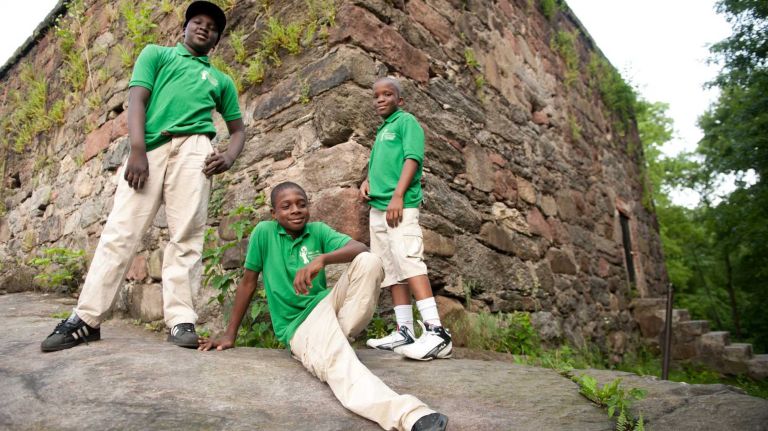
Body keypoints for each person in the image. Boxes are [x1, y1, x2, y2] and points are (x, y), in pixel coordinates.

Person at [41, 1, 245, 351]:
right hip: (150, 147)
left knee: (187, 236)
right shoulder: (157, 55)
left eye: (212, 27)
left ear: (216, 41)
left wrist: (227, 155)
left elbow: (238, 129)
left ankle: (181, 320)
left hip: (196, 149)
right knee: (121, 231)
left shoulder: (220, 80)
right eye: (197, 21)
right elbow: (137, 101)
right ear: (184, 27)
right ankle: (87, 318)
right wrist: (137, 150)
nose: (204, 28)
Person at [199, 182, 448, 431]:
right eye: (286, 206)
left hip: (330, 307)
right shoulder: (264, 233)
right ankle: (408, 415)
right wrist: (229, 334)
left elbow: (360, 248)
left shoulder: (316, 231)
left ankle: (330, 343)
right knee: (339, 364)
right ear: (274, 214)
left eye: (301, 204)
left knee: (369, 261)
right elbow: (247, 283)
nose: (296, 210)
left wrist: (322, 259)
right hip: (301, 325)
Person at [360, 77, 452, 361]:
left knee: (409, 261)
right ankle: (405, 331)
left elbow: (412, 158)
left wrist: (398, 195)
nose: (381, 99)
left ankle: (437, 332)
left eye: (388, 94)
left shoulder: (406, 122)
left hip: (399, 206)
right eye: (376, 96)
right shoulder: (382, 130)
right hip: (378, 208)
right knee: (391, 268)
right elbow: (383, 164)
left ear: (400, 100)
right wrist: (366, 179)